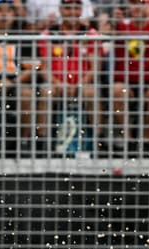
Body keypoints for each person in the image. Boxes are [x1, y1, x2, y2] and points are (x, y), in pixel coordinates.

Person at [37, 0, 106, 152]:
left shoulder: (91, 34)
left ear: (81, 10)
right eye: (68, 8)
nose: (72, 12)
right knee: (46, 92)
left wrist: (79, 84)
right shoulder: (49, 34)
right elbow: (44, 68)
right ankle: (41, 143)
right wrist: (58, 84)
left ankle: (99, 143)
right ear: (61, 10)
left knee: (91, 93)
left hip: (83, 84)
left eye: (76, 8)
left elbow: (96, 68)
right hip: (56, 84)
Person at [0, 0, 42, 152]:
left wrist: (14, 81)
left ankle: (23, 141)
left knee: (27, 95)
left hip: (16, 84)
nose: (4, 15)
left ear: (14, 15)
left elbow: (34, 66)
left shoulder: (23, 38)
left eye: (8, 11)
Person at [111, 0, 149, 155]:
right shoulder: (121, 26)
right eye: (133, 3)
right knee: (117, 90)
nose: (136, 6)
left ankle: (146, 142)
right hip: (126, 80)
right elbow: (103, 32)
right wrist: (112, 22)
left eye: (141, 3)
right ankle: (128, 141)